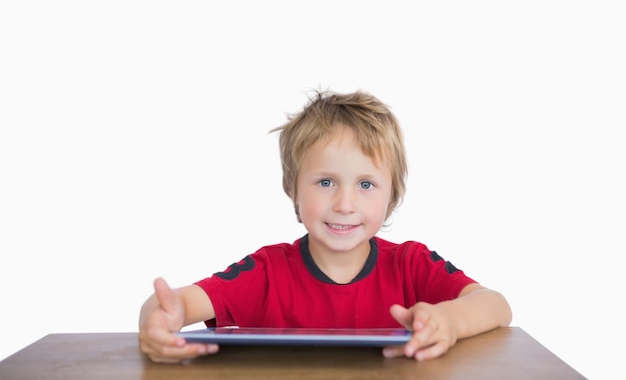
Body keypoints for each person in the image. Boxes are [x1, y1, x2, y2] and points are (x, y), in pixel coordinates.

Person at [138, 90, 512, 363]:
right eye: (326, 182)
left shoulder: (411, 264)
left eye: (366, 185)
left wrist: (447, 320)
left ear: (391, 194)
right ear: (293, 189)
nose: (345, 204)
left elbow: (495, 306)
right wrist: (159, 317)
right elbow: (176, 303)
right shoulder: (267, 271)